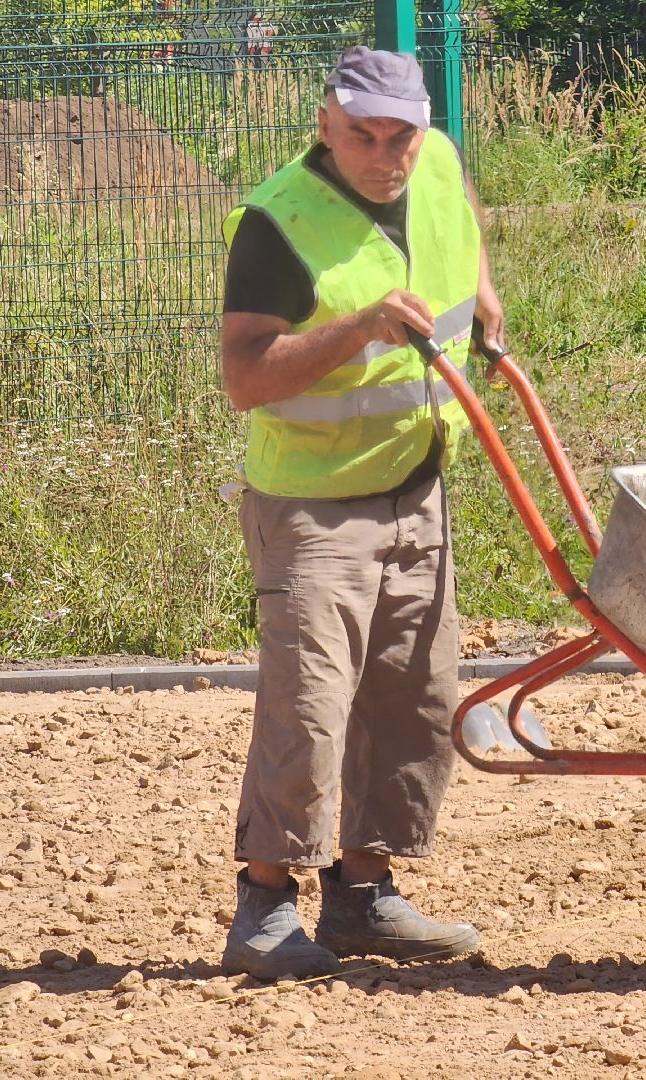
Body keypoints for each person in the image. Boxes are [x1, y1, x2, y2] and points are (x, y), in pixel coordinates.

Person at [217, 45, 504, 981]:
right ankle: (264, 908)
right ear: (324, 122)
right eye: (363, 136)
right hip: (312, 504)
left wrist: (487, 298)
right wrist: (362, 328)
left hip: (416, 480)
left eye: (402, 138)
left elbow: (459, 221)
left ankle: (365, 896)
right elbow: (245, 376)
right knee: (310, 707)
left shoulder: (439, 163)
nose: (386, 156)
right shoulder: (277, 224)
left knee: (413, 694)